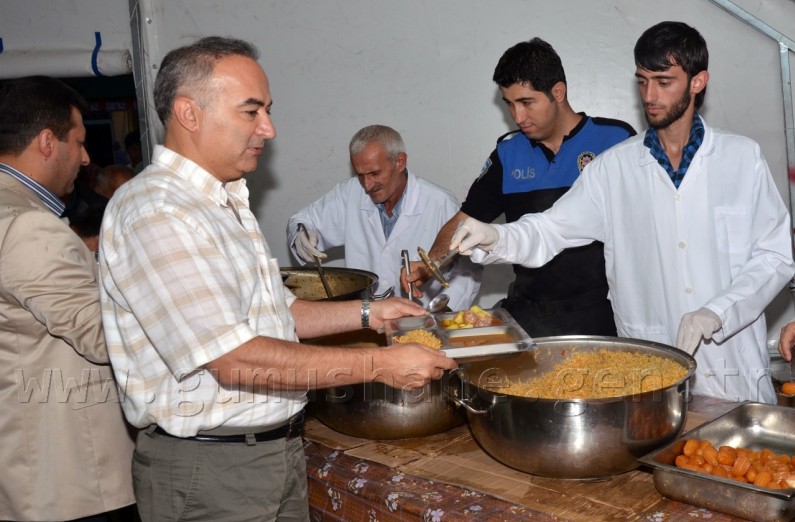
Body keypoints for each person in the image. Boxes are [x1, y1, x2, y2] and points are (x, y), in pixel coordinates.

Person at [98, 36, 457, 522]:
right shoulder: (158, 211)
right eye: (251, 111)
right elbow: (235, 359)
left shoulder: (224, 203)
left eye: (267, 110)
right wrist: (379, 364)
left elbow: (280, 314)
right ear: (189, 113)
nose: (268, 128)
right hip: (213, 470)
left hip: (275, 452)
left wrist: (372, 313)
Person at [450, 21, 795, 404]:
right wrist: (497, 237)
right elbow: (550, 229)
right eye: (642, 81)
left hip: (733, 365)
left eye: (664, 82)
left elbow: (775, 256)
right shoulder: (613, 168)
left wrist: (718, 312)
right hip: (651, 369)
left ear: (698, 82)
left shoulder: (741, 158)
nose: (650, 95)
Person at [402, 38, 635, 336]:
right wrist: (429, 265)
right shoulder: (508, 153)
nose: (517, 116)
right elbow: (465, 220)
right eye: (509, 104)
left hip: (600, 314)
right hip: (528, 314)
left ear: (558, 92)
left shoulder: (614, 140)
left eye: (526, 102)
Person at [0, 76, 135, 522]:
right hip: (71, 480)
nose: (85, 157)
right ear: (45, 142)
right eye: (78, 142)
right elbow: (101, 335)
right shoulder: (26, 227)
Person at [286, 124, 481, 309]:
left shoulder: (440, 202)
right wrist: (301, 235)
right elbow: (302, 220)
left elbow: (468, 269)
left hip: (423, 319)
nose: (367, 185)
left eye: (375, 173)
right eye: (360, 175)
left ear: (400, 162)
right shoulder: (349, 194)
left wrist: (444, 309)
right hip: (367, 319)